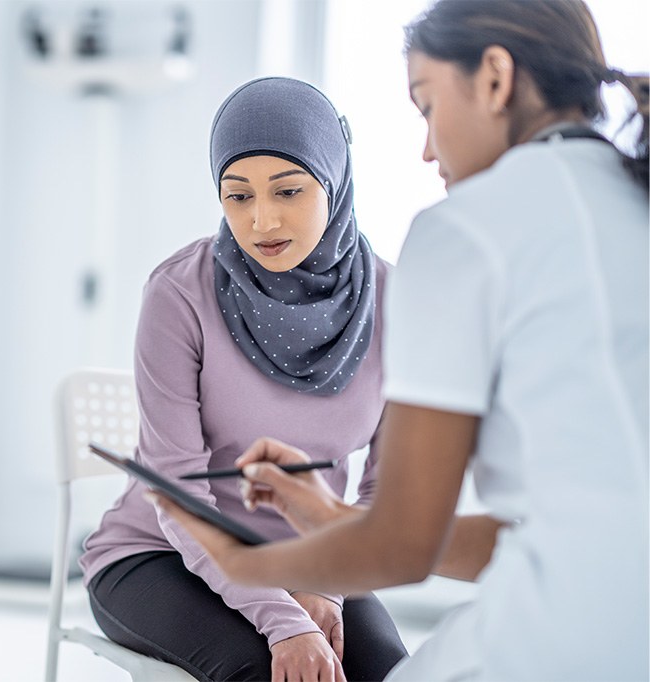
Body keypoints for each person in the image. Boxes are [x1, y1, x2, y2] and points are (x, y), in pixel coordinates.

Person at [151, 2, 649, 681]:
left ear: (495, 78)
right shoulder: (634, 201)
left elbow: (402, 544)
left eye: (426, 105)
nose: (426, 147)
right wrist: (327, 518)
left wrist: (254, 569)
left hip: (551, 638)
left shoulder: (462, 233)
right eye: (238, 195)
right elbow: (573, 535)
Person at [79, 76, 408, 682]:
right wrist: (285, 622)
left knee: (389, 672)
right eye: (238, 196)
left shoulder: (394, 301)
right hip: (161, 553)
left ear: (333, 182)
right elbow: (178, 495)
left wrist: (324, 589)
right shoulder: (179, 293)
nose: (261, 221)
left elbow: (385, 494)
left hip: (313, 554)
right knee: (260, 671)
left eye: (288, 191)